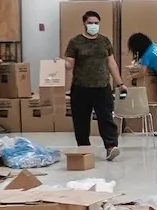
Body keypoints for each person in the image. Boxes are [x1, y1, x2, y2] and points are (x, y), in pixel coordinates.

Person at [65, 11, 126, 161]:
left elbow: (111, 63)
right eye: (90, 23)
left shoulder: (104, 41)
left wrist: (120, 83)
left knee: (106, 117)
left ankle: (111, 147)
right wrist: (57, 63)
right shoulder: (75, 42)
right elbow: (69, 65)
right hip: (81, 87)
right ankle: (84, 149)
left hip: (102, 86)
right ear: (84, 24)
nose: (93, 26)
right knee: (81, 120)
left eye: (96, 23)